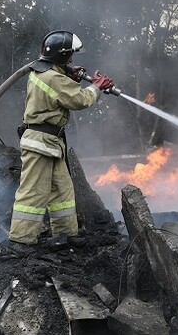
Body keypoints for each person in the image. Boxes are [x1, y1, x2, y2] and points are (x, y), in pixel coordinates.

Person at [8, 30, 114, 246]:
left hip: (51, 144)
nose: (72, 59)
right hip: (40, 143)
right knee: (33, 192)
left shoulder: (45, 73)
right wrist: (97, 87)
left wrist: (71, 75)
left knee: (62, 191)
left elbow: (59, 88)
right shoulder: (52, 77)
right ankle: (20, 240)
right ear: (62, 56)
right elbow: (79, 99)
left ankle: (65, 235)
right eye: (70, 56)